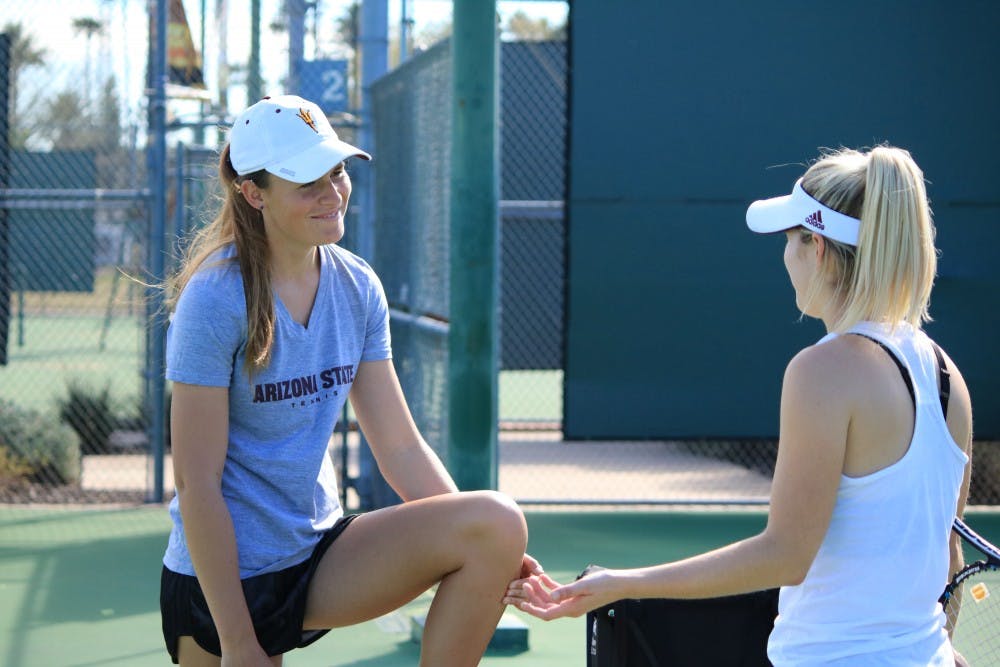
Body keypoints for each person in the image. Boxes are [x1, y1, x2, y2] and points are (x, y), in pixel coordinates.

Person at [506, 146, 974, 665]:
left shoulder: (821, 372)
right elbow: (947, 554)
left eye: (789, 241)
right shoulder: (947, 377)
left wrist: (623, 584)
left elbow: (786, 555)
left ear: (816, 247)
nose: (784, 257)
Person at [160, 94, 537, 667]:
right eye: (308, 181)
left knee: (495, 522)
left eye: (336, 172)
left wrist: (496, 555)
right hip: (221, 583)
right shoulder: (214, 299)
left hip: (316, 557)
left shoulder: (358, 287)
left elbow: (403, 448)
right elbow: (196, 483)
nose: (332, 192)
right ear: (254, 192)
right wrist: (240, 641)